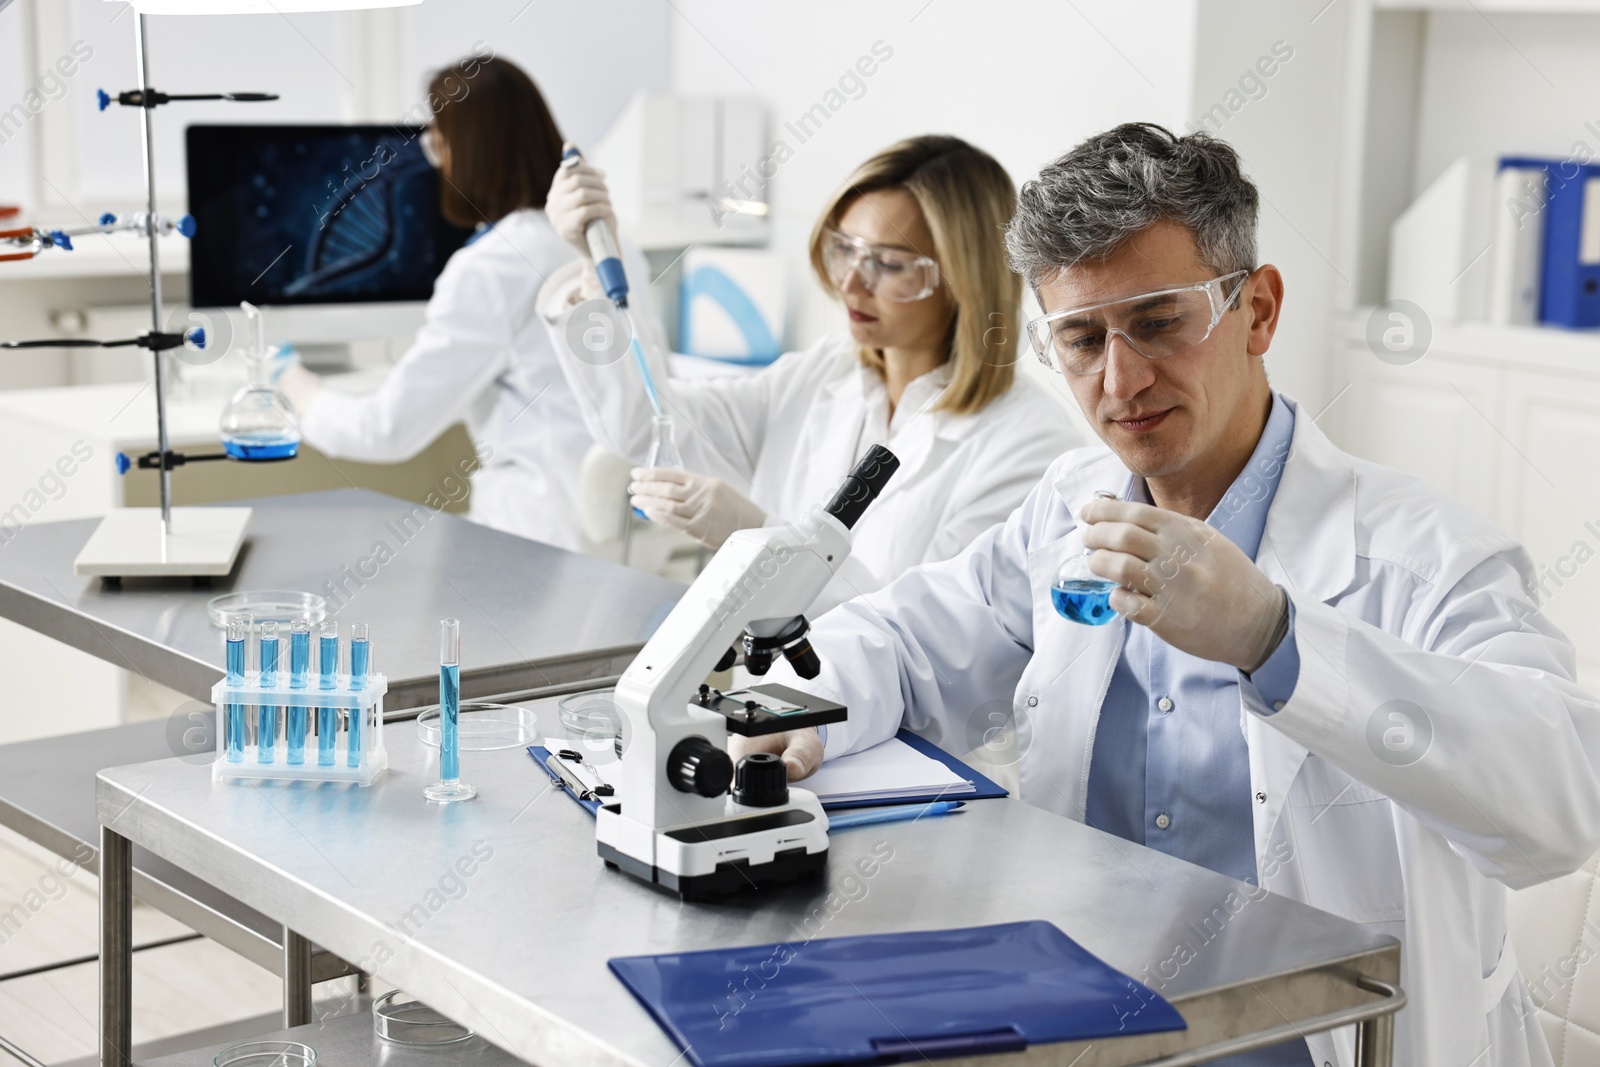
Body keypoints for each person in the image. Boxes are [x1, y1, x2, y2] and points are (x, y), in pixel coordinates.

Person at [739, 124, 1600, 1067]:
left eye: (1158, 322)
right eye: (1079, 337)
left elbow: (1560, 806)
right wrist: (801, 713)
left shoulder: (1424, 556)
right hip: (1089, 1030)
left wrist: (1277, 638)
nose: (1121, 380)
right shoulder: (1068, 510)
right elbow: (908, 637)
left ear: (1258, 309)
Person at [537, 135, 1080, 613]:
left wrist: (757, 535)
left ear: (964, 277)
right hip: (776, 701)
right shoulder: (824, 373)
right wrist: (595, 255)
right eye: (844, 250)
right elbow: (646, 424)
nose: (851, 283)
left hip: (910, 729)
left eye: (887, 264)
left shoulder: (1028, 447)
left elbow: (921, 636)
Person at [280, 57, 592, 551]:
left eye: (438, 142)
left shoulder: (491, 268)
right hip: (615, 530)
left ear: (467, 152)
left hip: (537, 537)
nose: (436, 160)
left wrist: (299, 390)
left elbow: (386, 432)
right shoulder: (602, 240)